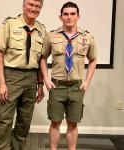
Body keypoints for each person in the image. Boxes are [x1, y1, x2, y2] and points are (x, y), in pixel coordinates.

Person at [40, 2, 97, 150]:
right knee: (55, 122)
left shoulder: (87, 37)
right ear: (60, 17)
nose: (69, 17)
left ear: (78, 16)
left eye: (72, 14)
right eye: (66, 14)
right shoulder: (51, 36)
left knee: (73, 123)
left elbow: (93, 60)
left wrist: (87, 82)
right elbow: (43, 58)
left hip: (76, 87)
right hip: (57, 86)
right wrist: (46, 79)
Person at [0, 0, 46, 149]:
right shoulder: (9, 24)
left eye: (37, 6)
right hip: (11, 76)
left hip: (32, 78)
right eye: (30, 4)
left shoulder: (42, 29)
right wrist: (2, 84)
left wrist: (40, 85)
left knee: (24, 120)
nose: (33, 8)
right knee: (4, 119)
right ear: (23, 5)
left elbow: (41, 59)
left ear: (40, 9)